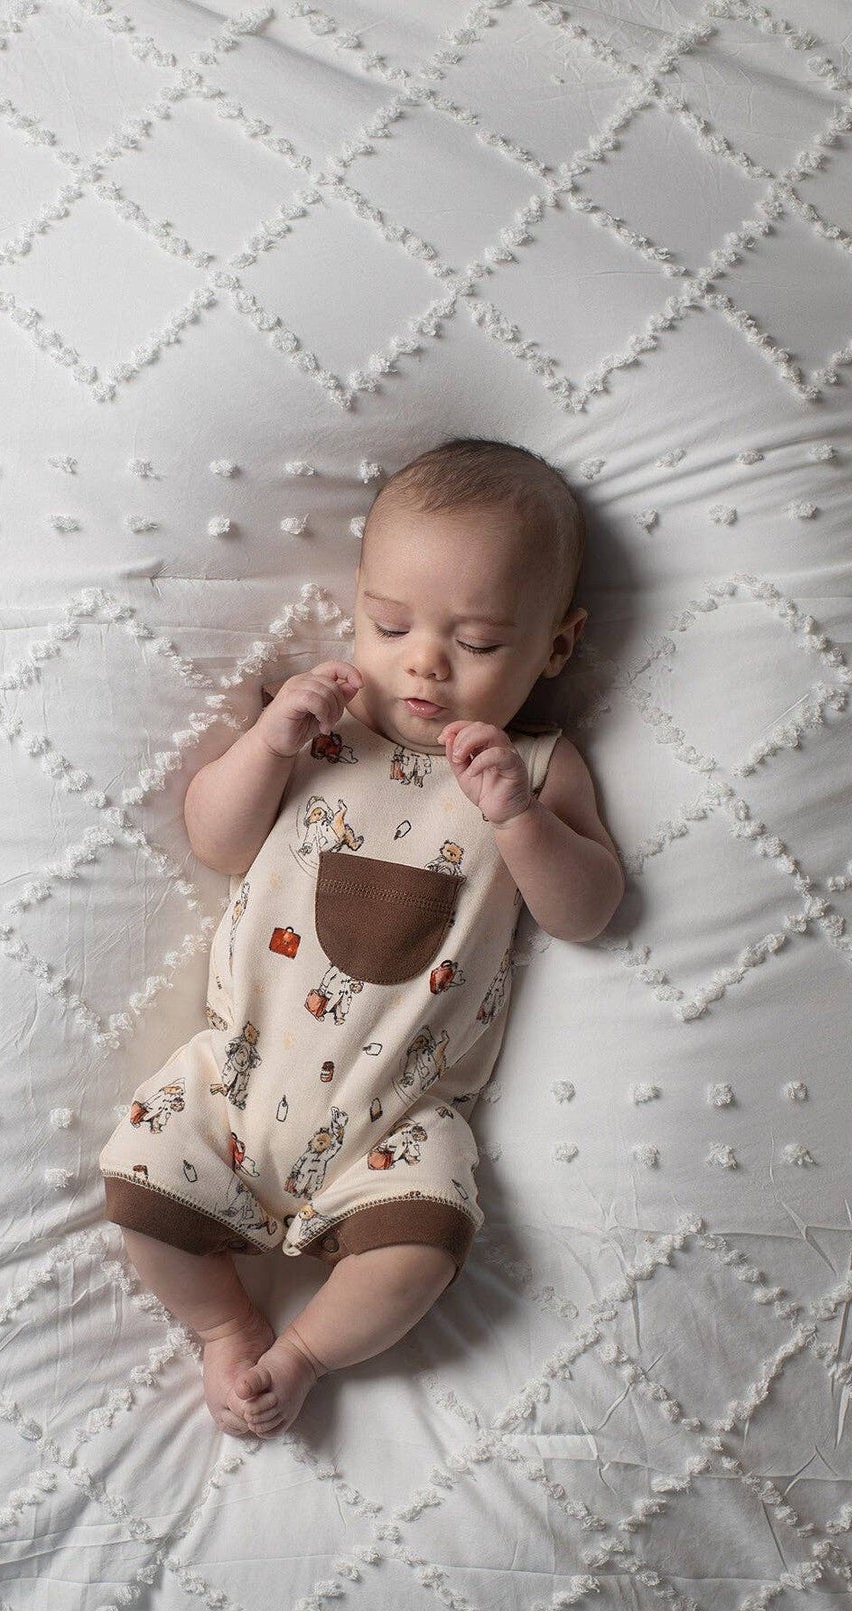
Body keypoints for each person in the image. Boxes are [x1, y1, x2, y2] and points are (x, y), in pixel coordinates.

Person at [97, 437, 626, 1438]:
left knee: (420, 1250)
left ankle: (299, 1354)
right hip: (236, 1079)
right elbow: (216, 838)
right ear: (357, 606)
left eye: (475, 644)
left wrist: (516, 818)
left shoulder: (537, 769)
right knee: (137, 1193)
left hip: (401, 1116)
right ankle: (223, 1328)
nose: (423, 661)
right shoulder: (316, 731)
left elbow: (586, 910)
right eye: (390, 625)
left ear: (554, 647)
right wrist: (265, 744)